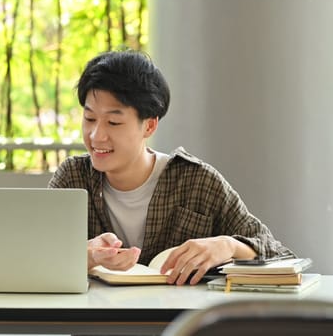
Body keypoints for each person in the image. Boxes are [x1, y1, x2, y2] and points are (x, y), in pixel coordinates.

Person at [48, 50, 295, 285]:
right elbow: (33, 256)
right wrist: (87, 256)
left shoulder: (197, 182)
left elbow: (281, 255)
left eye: (113, 122)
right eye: (89, 119)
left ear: (149, 126)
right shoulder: (73, 177)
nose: (96, 136)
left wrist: (228, 246)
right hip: (94, 324)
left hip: (181, 325)